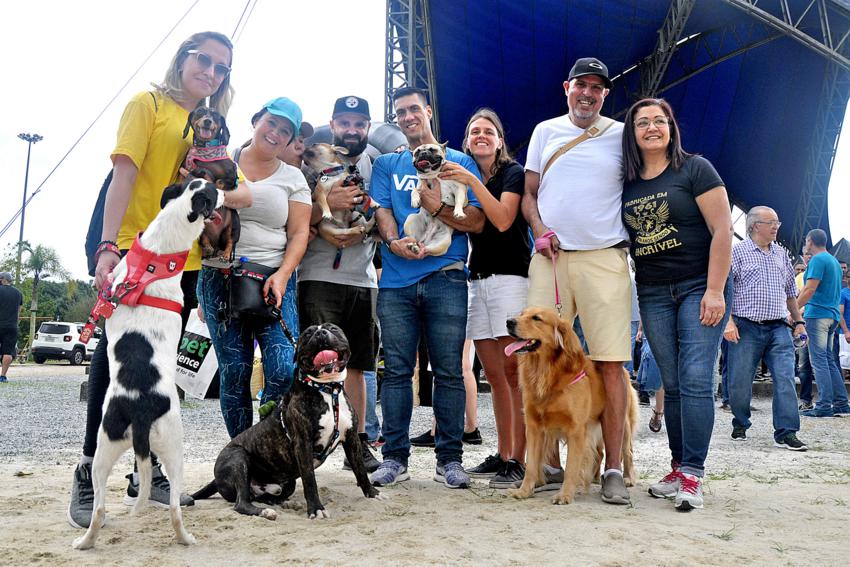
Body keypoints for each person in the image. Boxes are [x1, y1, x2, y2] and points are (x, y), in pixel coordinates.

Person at [69, 31, 240, 529]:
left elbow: (232, 191)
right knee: (116, 353)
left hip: (177, 257)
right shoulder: (148, 104)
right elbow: (122, 175)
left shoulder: (211, 131)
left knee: (162, 360)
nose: (210, 72)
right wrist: (107, 247)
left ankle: (147, 469)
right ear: (182, 58)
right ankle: (87, 467)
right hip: (128, 242)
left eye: (221, 67)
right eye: (202, 60)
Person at [522, 57, 632, 504]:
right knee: (534, 354)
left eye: (597, 87)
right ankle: (546, 465)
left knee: (609, 362)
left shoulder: (622, 134)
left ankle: (612, 470)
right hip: (551, 256)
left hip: (605, 256)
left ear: (605, 94)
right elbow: (529, 194)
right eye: (580, 85)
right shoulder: (544, 131)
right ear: (566, 87)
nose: (588, 93)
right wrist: (538, 230)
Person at [369, 86, 484, 489]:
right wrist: (392, 241)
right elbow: (382, 209)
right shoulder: (387, 162)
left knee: (449, 371)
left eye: (414, 109)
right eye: (400, 112)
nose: (407, 116)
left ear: (428, 111)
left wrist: (436, 206)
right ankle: (394, 459)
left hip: (447, 276)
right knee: (398, 371)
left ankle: (450, 460)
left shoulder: (459, 161)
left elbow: (476, 220)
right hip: (397, 281)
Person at [621, 97, 733, 511]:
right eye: (642, 122)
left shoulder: (695, 169)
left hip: (698, 284)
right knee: (671, 379)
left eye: (659, 120)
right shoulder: (628, 182)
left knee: (696, 375)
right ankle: (679, 465)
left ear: (671, 127)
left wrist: (716, 290)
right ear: (632, 134)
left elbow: (722, 230)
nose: (652, 127)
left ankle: (694, 473)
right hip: (652, 291)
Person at [198, 97, 312, 438]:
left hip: (274, 278)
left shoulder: (293, 178)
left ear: (291, 141)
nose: (275, 133)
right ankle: (240, 453)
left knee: (281, 369)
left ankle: (266, 446)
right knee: (234, 372)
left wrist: (282, 275)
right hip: (220, 277)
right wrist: (203, 290)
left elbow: (299, 233)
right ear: (255, 120)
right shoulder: (219, 161)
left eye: (285, 131)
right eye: (271, 123)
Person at [443, 108, 529, 489]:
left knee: (515, 374)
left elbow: (502, 219)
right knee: (493, 375)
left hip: (511, 277)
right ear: (466, 140)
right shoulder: (462, 175)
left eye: (488, 131)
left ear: (499, 139)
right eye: (474, 130)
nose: (480, 135)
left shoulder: (512, 173)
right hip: (476, 279)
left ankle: (520, 459)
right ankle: (503, 451)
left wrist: (472, 182)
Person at [297, 96, 381, 472]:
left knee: (359, 366)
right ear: (332, 125)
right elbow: (295, 218)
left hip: (363, 280)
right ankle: (309, 442)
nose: (352, 130)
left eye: (359, 123)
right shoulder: (307, 163)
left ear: (367, 126)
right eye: (345, 123)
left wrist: (365, 227)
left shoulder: (375, 160)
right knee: (314, 363)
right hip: (318, 275)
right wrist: (324, 205)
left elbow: (386, 212)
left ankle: (357, 444)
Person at [723, 206, 807, 450]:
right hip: (745, 326)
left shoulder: (782, 254)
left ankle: (786, 432)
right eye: (771, 222)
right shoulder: (736, 253)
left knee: (785, 378)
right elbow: (725, 291)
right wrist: (727, 322)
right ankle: (740, 420)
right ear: (754, 226)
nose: (776, 227)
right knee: (739, 382)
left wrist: (799, 322)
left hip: (779, 327)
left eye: (777, 222)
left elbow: (791, 294)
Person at [797, 229, 848, 417]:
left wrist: (793, 310)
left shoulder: (817, 260)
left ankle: (824, 405)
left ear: (810, 241)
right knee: (828, 360)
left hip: (817, 314)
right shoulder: (833, 260)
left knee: (818, 360)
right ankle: (841, 402)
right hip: (832, 315)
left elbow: (809, 289)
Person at [0, 272, 22, 383]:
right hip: (12, 326)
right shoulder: (18, 293)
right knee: (8, 352)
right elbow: (19, 312)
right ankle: (3, 376)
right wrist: (15, 323)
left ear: (2, 279)